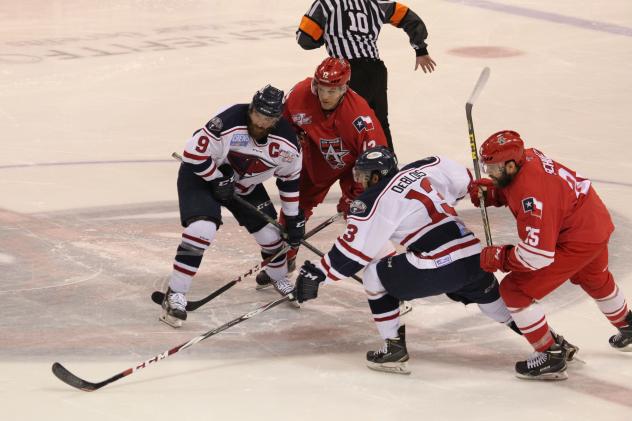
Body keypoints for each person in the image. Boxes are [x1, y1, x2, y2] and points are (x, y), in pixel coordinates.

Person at [294, 146, 522, 374]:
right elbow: (466, 181)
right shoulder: (424, 167)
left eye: (363, 177)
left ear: (376, 176)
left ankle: (393, 347)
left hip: (438, 265)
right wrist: (477, 189)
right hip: (473, 255)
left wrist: (318, 274)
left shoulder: (373, 199)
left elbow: (354, 252)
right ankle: (548, 345)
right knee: (496, 305)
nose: (361, 183)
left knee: (375, 276)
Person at [468, 130, 632, 380]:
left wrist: (500, 257)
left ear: (511, 165)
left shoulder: (533, 198)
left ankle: (550, 355)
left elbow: (537, 255)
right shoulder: (528, 157)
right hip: (592, 222)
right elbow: (520, 186)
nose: (489, 172)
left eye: (494, 168)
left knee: (515, 290)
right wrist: (495, 192)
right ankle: (628, 325)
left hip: (575, 238)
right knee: (595, 278)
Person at [160, 85, 306, 328]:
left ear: (277, 118)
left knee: (272, 235)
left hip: (243, 184)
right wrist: (217, 179)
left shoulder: (288, 144)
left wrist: (292, 219)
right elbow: (193, 153)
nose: (260, 122)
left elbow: (290, 181)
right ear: (251, 108)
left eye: (268, 118)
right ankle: (175, 294)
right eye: (258, 113)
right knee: (201, 230)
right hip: (202, 177)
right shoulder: (228, 121)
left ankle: (276, 276)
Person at [255, 57, 388, 287]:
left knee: (362, 216)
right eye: (321, 88)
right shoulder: (299, 94)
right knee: (293, 207)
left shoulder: (360, 118)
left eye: (333, 90)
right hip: (318, 156)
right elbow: (283, 126)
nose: (325, 95)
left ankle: (386, 270)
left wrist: (354, 196)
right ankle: (284, 261)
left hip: (358, 167)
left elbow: (375, 164)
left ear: (345, 88)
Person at [296, 0, 436, 151]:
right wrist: (420, 49)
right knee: (379, 123)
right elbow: (409, 17)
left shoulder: (327, 3)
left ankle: (347, 170)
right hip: (377, 71)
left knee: (343, 125)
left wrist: (330, 35)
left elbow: (304, 39)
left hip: (347, 74)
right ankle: (388, 168)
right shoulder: (376, 3)